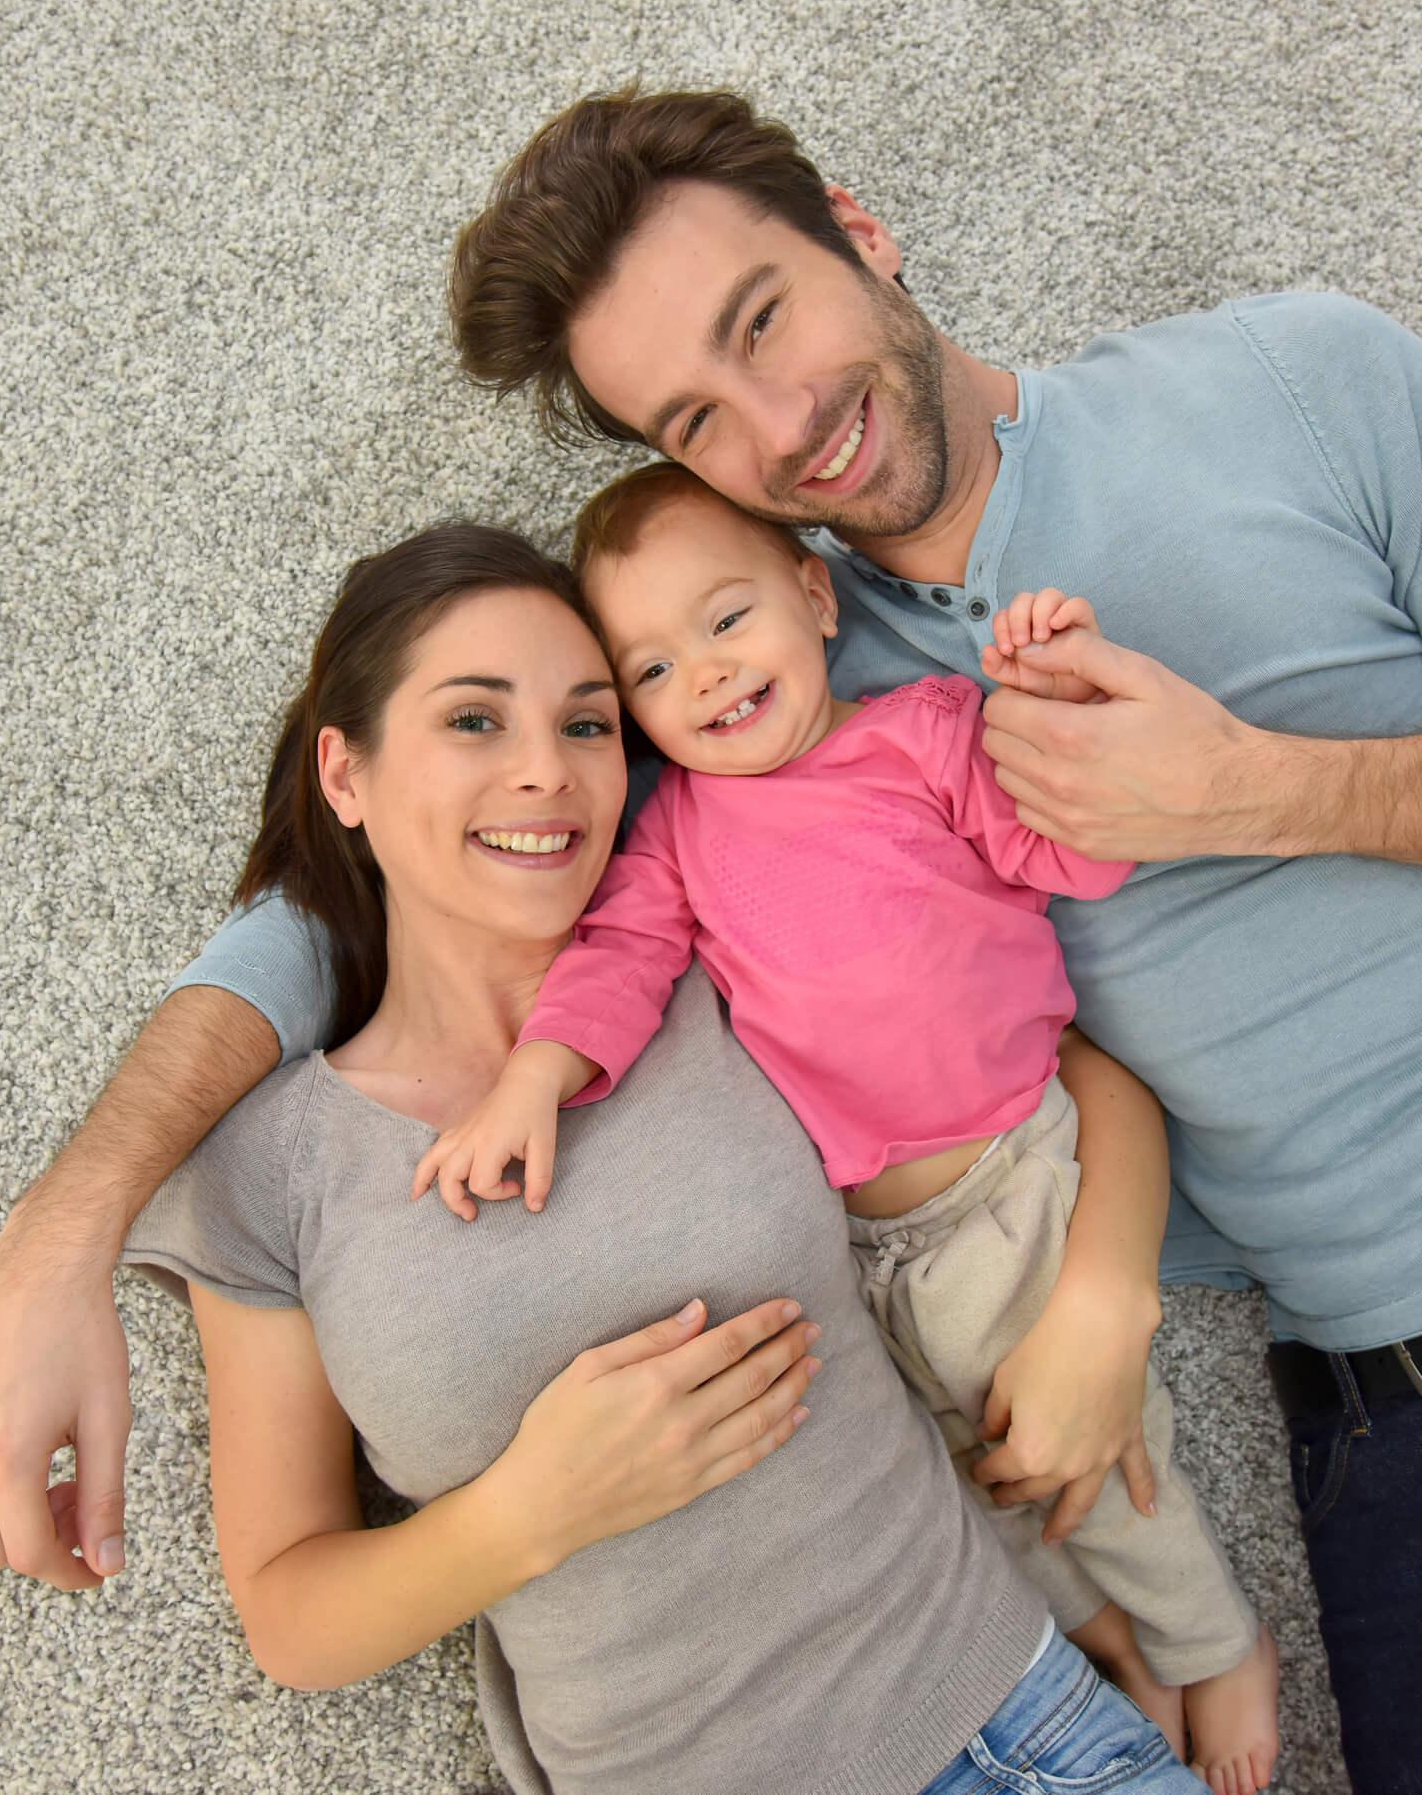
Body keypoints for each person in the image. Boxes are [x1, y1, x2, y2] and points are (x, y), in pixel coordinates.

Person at [0, 88, 1422, 1793]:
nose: (785, 422)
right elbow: (390, 866)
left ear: (864, 234)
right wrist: (61, 1235)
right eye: (699, 413)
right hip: (1389, 1435)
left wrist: (1260, 787)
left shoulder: (1292, 378)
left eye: (767, 319)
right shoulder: (776, 692)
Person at [117, 521, 1205, 1794]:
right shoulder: (272, 1163)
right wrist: (536, 1506)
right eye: (475, 720)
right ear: (344, 773)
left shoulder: (712, 957)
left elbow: (1064, 1076)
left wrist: (1107, 1297)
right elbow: (293, 1614)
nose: (546, 772)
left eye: (587, 724)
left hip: (1024, 1730)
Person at [408, 464, 1276, 1794]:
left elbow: (1077, 851)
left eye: (725, 620)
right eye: (649, 668)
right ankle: (1118, 1654)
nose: (700, 676)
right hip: (866, 1252)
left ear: (816, 597)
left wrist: (1049, 704)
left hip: (1003, 1170)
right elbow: (621, 960)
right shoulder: (677, 832)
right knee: (973, 1481)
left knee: (1093, 1453)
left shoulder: (925, 735)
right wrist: (535, 1074)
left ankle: (1217, 1644)